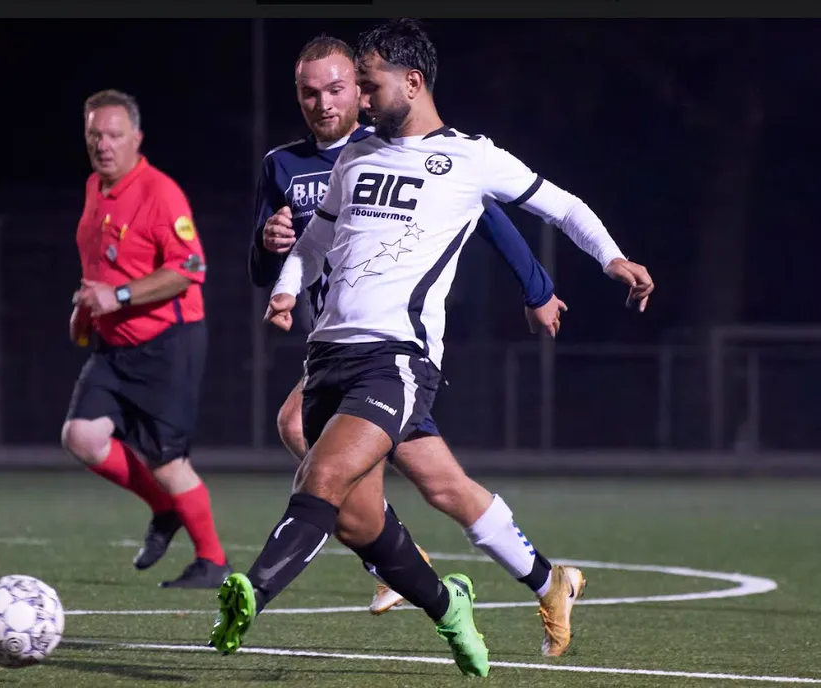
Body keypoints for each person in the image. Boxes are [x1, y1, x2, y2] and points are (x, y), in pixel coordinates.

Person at [214, 19, 655, 670]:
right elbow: (312, 244)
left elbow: (557, 207)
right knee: (417, 498)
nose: (357, 100)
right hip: (329, 355)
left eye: (366, 86)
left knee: (320, 468)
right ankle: (531, 584)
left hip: (396, 360)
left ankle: (253, 591)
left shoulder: (469, 158)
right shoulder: (354, 158)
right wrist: (283, 290)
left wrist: (607, 260)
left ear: (413, 82)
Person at [248, 34, 568, 628]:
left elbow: (491, 215)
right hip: (335, 347)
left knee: (301, 433)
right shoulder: (283, 165)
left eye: (340, 88)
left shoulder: (397, 148)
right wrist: (272, 252)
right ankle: (549, 581)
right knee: (444, 487)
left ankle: (390, 555)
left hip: (392, 351)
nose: (325, 103)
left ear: (361, 88)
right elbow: (271, 263)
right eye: (309, 93)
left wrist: (537, 288)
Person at [62, 89, 231, 589]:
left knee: (167, 462)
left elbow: (191, 268)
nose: (103, 145)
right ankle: (165, 508)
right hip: (114, 345)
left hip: (167, 344)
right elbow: (104, 266)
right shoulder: (95, 187)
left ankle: (213, 562)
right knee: (81, 436)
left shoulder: (160, 192)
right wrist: (87, 307)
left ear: (137, 137)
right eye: (95, 135)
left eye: (114, 135)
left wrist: (117, 295)